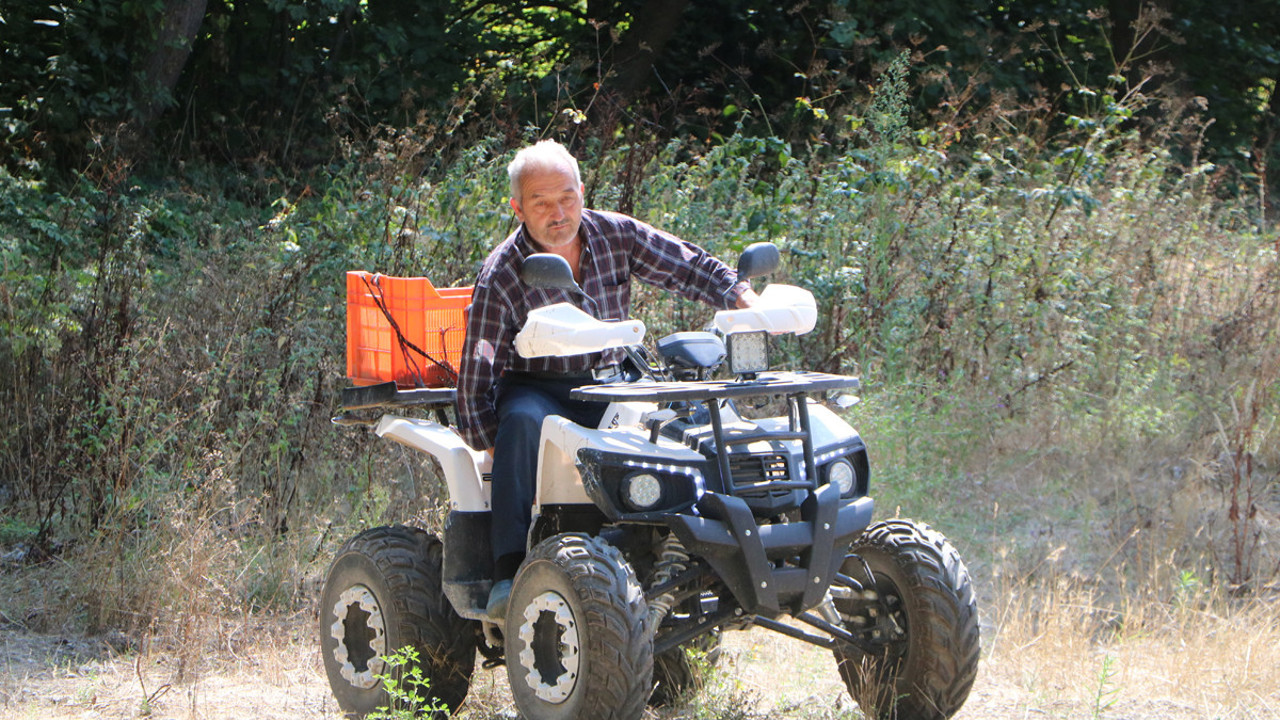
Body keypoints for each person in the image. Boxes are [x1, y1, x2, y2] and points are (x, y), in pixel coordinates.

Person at [455, 139, 757, 619]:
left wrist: (737, 294)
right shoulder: (503, 273)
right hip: (537, 387)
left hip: (613, 380)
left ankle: (705, 551)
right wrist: (490, 444)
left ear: (582, 191)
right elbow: (476, 373)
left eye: (567, 198)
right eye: (542, 203)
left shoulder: (614, 234)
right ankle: (507, 571)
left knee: (691, 418)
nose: (559, 213)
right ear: (517, 208)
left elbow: (683, 263)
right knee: (518, 426)